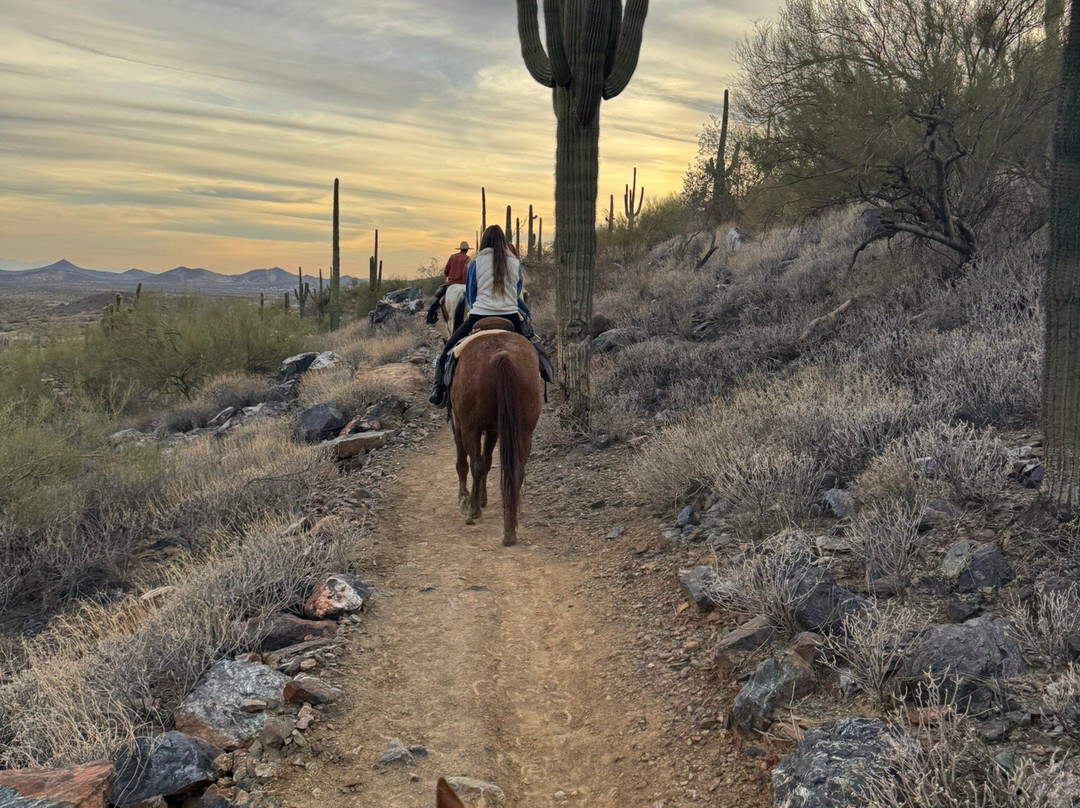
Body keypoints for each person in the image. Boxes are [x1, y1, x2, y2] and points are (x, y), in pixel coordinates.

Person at [430, 225, 525, 407]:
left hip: (480, 315)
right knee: (535, 349)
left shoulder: (475, 262)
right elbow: (517, 290)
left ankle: (438, 391)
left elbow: (470, 293)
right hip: (511, 315)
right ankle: (542, 378)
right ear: (504, 242)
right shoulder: (514, 262)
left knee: (447, 352)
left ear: (483, 241)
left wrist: (478, 307)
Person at [425, 241, 472, 324]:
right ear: (467, 250)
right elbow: (466, 273)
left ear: (460, 249)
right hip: (463, 284)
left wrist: (451, 277)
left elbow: (446, 271)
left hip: (450, 284)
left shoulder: (452, 257)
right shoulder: (468, 259)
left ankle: (430, 316)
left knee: (439, 298)